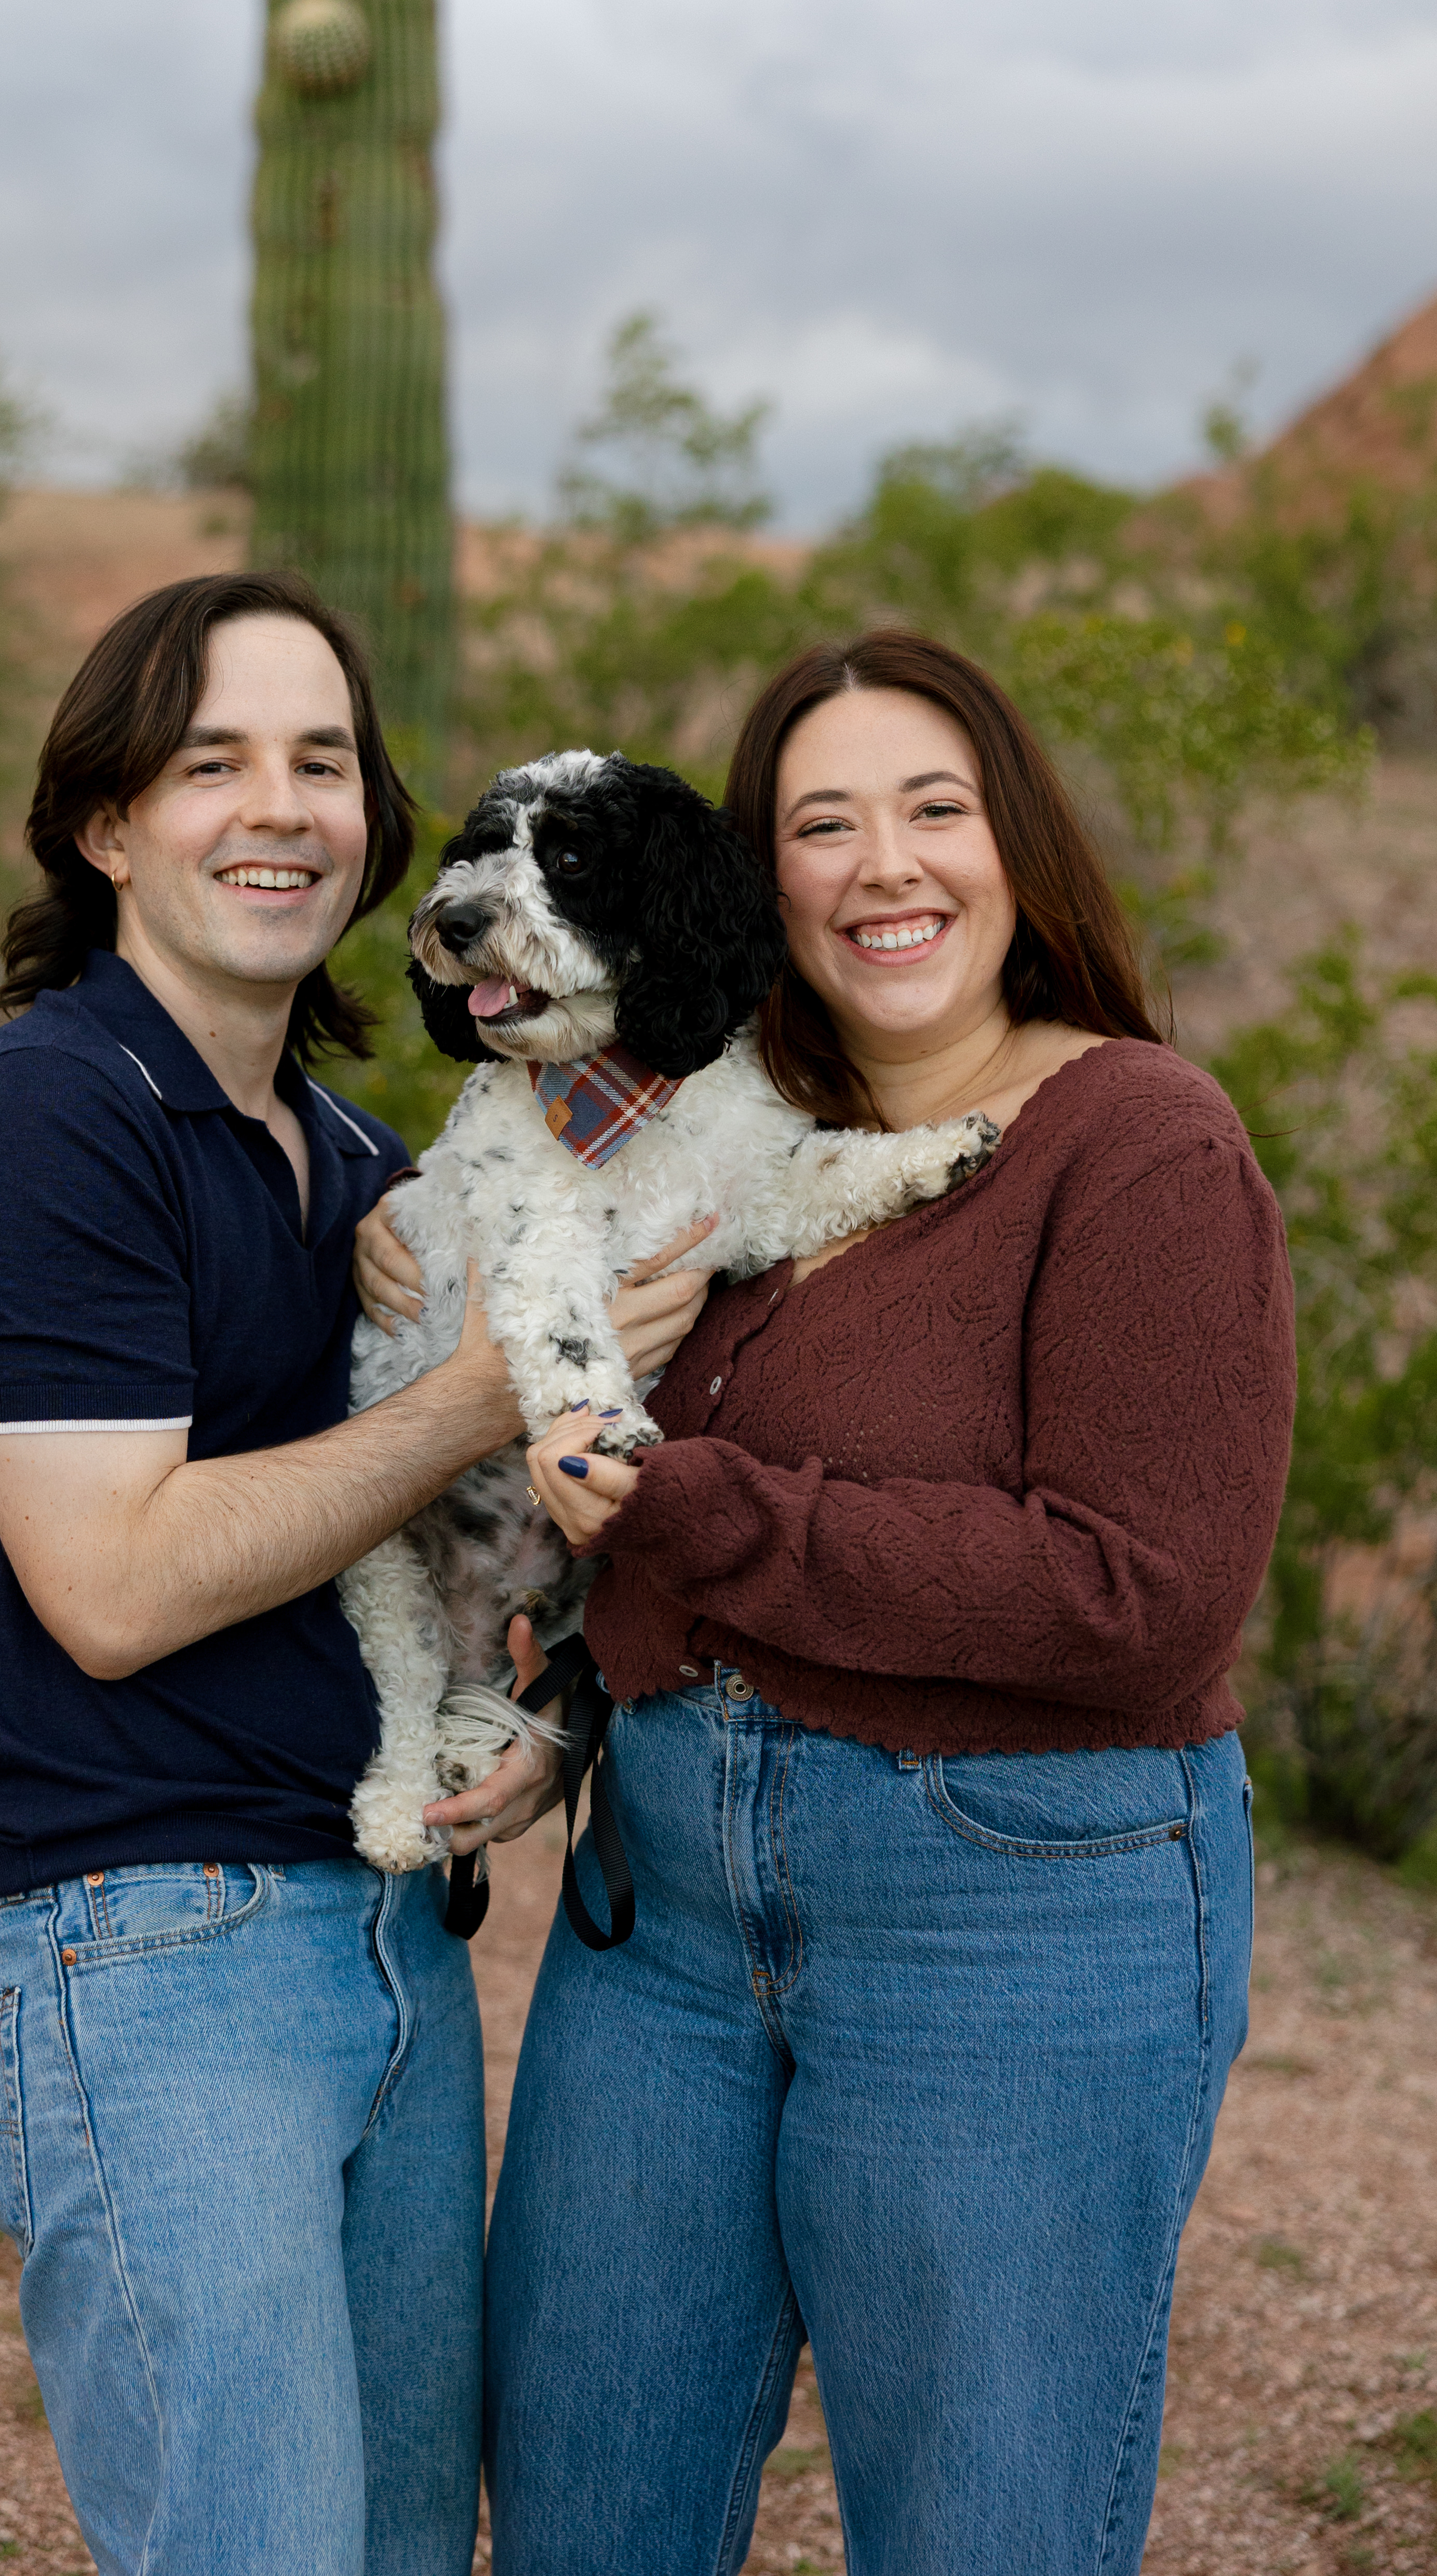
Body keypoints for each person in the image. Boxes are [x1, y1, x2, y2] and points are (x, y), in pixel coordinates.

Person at [357, 628, 1297, 2576]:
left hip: (1013, 1924)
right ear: (758, 876)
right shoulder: (721, 1125)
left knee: (981, 2533)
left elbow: (1138, 1597)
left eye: (932, 810)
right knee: (581, 2520)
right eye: (824, 821)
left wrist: (684, 1510)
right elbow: (570, 1430)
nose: (885, 864)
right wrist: (568, 1702)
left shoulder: (1134, 1145)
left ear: (1013, 849)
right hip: (671, 1924)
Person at [0, 570, 710, 2576]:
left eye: (321, 760)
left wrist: (543, 1725)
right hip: (152, 1961)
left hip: (384, 1938)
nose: (279, 806)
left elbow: (455, 1552)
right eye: (210, 762)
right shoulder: (42, 1121)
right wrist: (492, 1389)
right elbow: (117, 1588)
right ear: (106, 828)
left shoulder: (347, 1151)